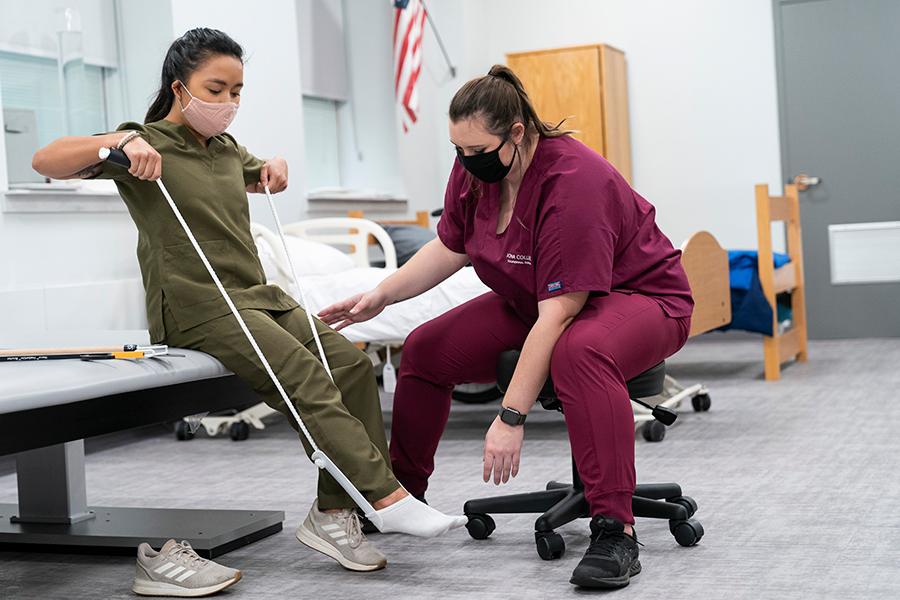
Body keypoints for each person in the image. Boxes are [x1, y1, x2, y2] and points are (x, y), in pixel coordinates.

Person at [31, 28, 466, 583]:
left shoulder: (226, 149)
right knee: (305, 377)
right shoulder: (145, 143)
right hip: (195, 304)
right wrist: (113, 144)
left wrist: (274, 167)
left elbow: (261, 173)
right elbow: (46, 158)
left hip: (256, 296)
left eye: (237, 90)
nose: (228, 103)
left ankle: (332, 514)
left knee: (354, 366)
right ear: (179, 87)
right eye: (216, 88)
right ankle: (383, 495)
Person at [319, 64, 694, 589]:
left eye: (477, 152)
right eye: (458, 151)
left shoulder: (573, 182)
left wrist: (510, 417)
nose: (466, 163)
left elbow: (561, 313)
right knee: (425, 350)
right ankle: (401, 495)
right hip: (535, 300)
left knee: (578, 353)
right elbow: (451, 246)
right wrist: (380, 295)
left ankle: (616, 530)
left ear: (517, 134)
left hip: (641, 299)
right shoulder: (476, 168)